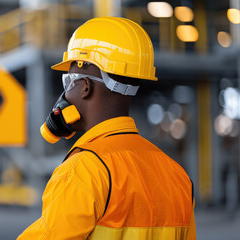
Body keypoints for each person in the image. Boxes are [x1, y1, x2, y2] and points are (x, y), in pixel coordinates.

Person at [18, 17, 196, 239]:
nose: (64, 95)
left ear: (84, 87)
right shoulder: (177, 175)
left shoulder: (83, 171)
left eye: (68, 82)